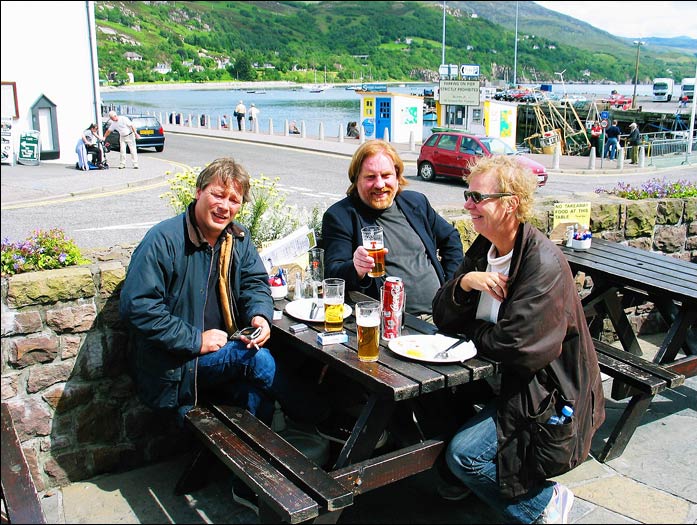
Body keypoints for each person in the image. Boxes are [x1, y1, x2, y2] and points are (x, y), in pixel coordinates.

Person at [120, 157, 329, 514]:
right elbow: (138, 307)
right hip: (176, 369)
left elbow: (254, 283)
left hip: (218, 358)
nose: (225, 206)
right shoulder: (164, 240)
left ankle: (248, 483)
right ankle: (322, 417)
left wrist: (261, 317)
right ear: (199, 192)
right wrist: (195, 340)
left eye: (234, 200)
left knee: (256, 392)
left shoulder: (238, 238)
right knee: (255, 359)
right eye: (218, 195)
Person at [431, 155, 605, 524]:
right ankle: (464, 484)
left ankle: (544, 503)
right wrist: (465, 284)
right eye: (468, 195)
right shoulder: (485, 248)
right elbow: (443, 316)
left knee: (465, 455)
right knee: (426, 409)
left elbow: (517, 347)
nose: (467, 204)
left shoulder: (542, 263)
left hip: (543, 392)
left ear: (510, 204)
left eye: (477, 197)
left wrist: (471, 332)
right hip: (495, 379)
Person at [322, 139, 463, 321]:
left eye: (386, 175)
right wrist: (356, 268)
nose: (380, 184)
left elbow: (451, 238)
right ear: (356, 179)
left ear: (397, 176)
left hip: (443, 315)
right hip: (393, 323)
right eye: (370, 177)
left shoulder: (416, 202)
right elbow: (332, 274)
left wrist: (449, 285)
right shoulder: (341, 216)